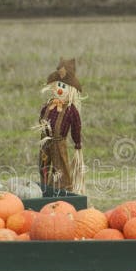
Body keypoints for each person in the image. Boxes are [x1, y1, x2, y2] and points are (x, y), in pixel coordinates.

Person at [37, 58, 85, 194]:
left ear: (71, 90)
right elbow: (42, 117)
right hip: (45, 140)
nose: (59, 89)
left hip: (59, 142)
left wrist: (77, 144)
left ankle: (64, 192)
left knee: (60, 167)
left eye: (63, 87)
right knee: (43, 165)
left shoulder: (71, 110)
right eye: (58, 85)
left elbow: (76, 127)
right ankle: (45, 188)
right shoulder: (48, 105)